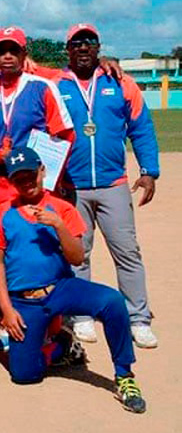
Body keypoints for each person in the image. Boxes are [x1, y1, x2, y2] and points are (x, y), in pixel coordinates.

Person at [0, 146, 147, 414]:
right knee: (24, 375)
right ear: (11, 181)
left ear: (42, 171)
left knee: (112, 301)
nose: (26, 182)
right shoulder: (3, 213)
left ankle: (124, 375)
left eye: (30, 174)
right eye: (18, 178)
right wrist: (6, 309)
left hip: (60, 288)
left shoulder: (61, 209)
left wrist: (58, 225)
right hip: (23, 302)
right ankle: (60, 345)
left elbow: (76, 257)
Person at [55, 24, 159, 348]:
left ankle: (138, 318)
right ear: (67, 49)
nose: (83, 47)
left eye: (89, 42)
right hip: (73, 186)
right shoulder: (55, 84)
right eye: (77, 42)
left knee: (127, 251)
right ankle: (81, 315)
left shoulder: (121, 82)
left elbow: (141, 127)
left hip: (114, 183)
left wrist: (149, 170)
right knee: (77, 254)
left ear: (98, 47)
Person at [0, 26, 74, 218]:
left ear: (24, 54)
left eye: (14, 51)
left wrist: (53, 176)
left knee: (39, 240)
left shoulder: (41, 87)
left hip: (34, 184)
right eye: (2, 51)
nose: (8, 56)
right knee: (0, 241)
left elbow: (66, 135)